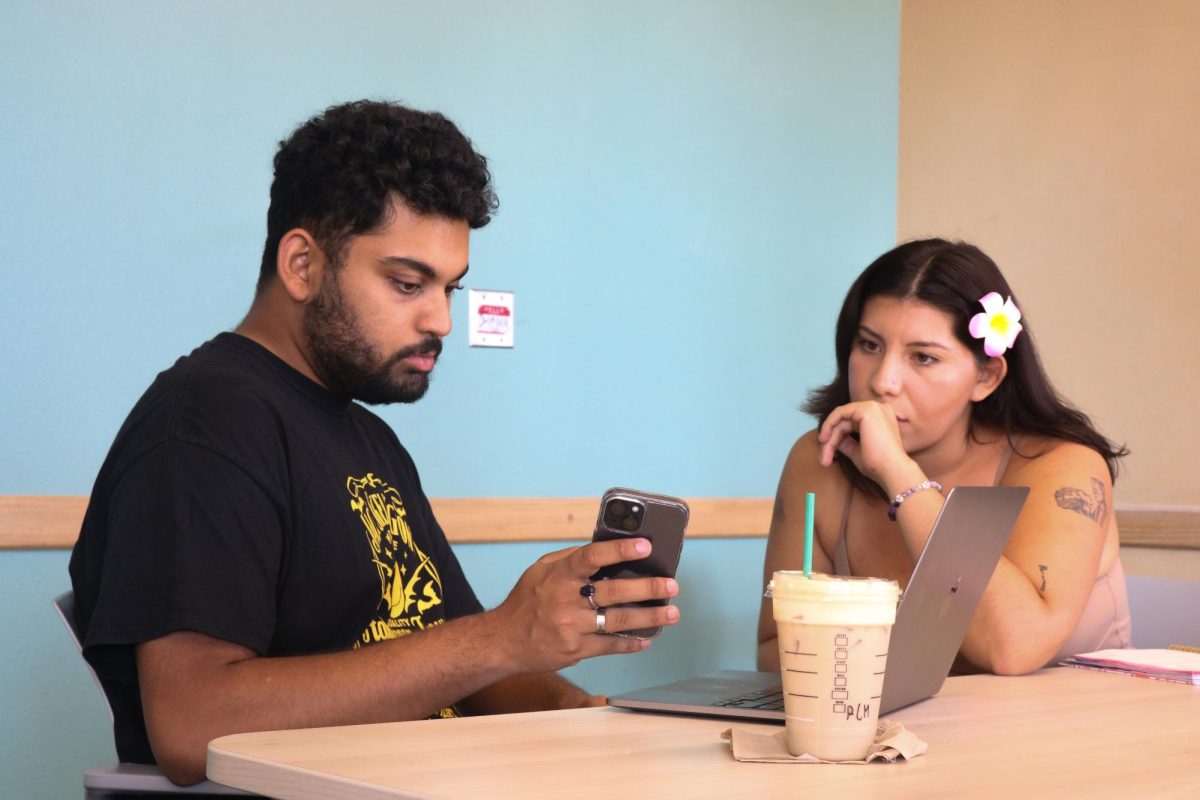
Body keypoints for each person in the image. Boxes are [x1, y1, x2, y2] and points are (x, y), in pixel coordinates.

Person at [69, 100, 680, 786]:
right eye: (408, 283)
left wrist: (599, 729)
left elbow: (479, 669)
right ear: (301, 264)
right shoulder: (204, 426)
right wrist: (501, 635)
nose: (442, 320)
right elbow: (192, 726)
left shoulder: (367, 436)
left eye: (450, 288)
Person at [756, 239, 1131, 677]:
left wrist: (899, 476)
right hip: (903, 739)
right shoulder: (818, 458)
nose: (883, 382)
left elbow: (1012, 647)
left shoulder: (1062, 464)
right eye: (870, 345)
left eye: (924, 358)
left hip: (1081, 737)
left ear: (986, 377)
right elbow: (773, 652)